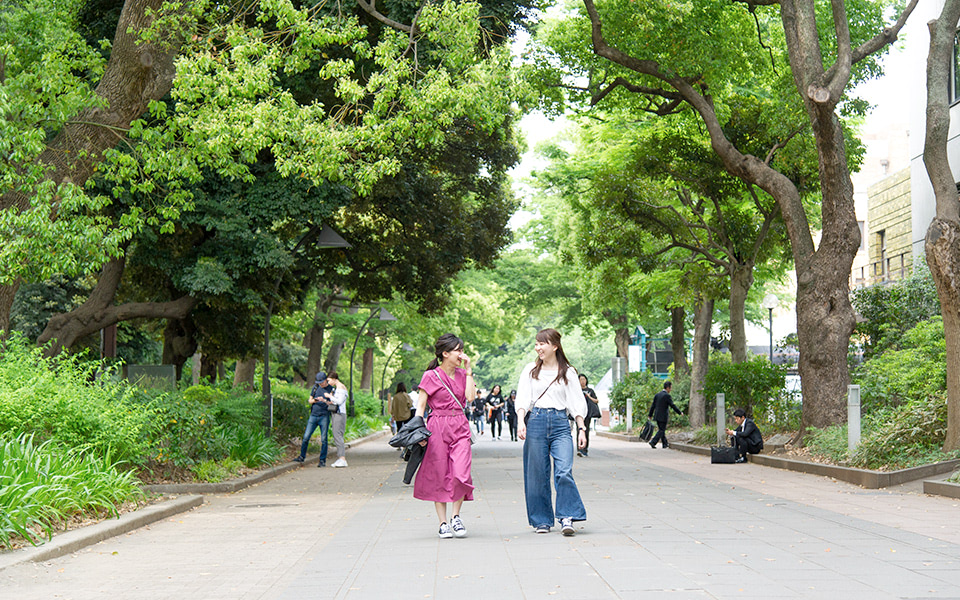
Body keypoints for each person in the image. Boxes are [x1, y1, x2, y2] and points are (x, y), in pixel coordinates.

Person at [516, 328, 588, 537]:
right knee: (536, 474)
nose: (538, 348)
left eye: (542, 343)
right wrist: (521, 421)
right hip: (536, 421)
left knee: (564, 470)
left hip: (560, 424)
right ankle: (541, 520)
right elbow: (523, 398)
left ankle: (567, 516)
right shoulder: (530, 370)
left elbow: (576, 402)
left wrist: (581, 429)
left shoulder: (568, 372)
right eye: (537, 344)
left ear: (554, 346)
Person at [414, 333, 475, 539]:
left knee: (461, 472)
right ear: (445, 353)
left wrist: (468, 372)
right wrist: (418, 430)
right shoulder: (430, 376)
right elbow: (421, 406)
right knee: (439, 473)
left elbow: (469, 398)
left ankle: (456, 517)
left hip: (459, 424)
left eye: (461, 349)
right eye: (457, 350)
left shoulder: (462, 374)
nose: (461, 354)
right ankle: (442, 522)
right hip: (437, 426)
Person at [294, 371, 333, 466]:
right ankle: (302, 457)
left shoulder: (331, 389)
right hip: (314, 415)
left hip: (324, 415)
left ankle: (322, 460)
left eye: (322, 382)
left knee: (324, 439)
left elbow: (333, 402)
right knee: (306, 437)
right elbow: (310, 401)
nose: (320, 384)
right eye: (319, 382)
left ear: (326, 380)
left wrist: (324, 401)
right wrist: (316, 400)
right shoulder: (315, 387)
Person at [647, 380, 682, 449]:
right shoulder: (667, 396)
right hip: (663, 416)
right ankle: (653, 441)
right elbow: (672, 405)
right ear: (668, 388)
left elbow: (653, 406)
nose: (671, 390)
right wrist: (680, 412)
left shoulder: (657, 395)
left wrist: (650, 415)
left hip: (657, 415)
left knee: (661, 429)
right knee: (661, 430)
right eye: (670, 388)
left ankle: (665, 444)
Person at [325, 372, 349, 468]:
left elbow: (339, 401)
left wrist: (329, 396)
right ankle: (340, 458)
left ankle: (342, 458)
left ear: (334, 379)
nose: (328, 382)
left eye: (329, 380)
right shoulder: (337, 388)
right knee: (337, 435)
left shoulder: (341, 388)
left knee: (337, 435)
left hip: (339, 414)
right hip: (337, 413)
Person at [578, 374, 600, 457]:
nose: (583, 381)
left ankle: (585, 449)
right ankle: (579, 448)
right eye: (581, 379)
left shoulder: (590, 390)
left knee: (586, 430)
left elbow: (596, 400)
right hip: (579, 413)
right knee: (579, 430)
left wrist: (589, 396)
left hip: (588, 413)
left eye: (584, 379)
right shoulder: (576, 390)